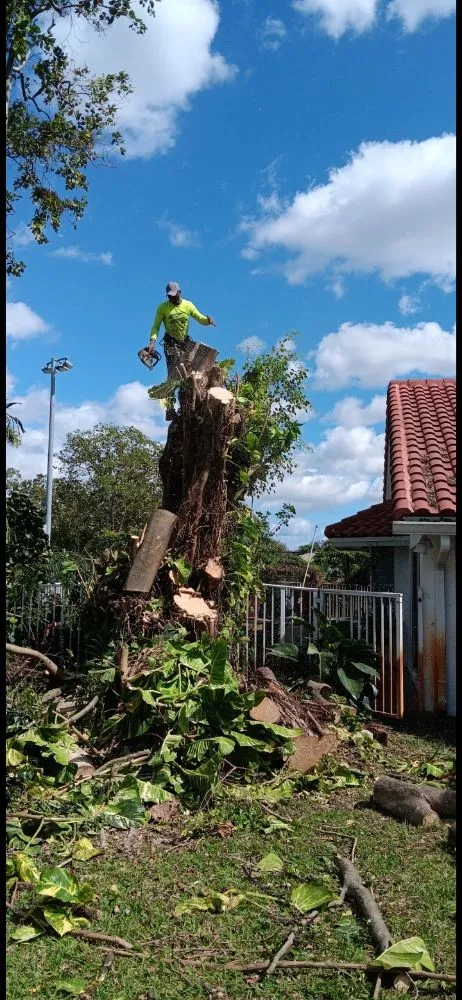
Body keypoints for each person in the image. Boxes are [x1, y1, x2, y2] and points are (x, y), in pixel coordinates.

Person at [149, 282, 216, 419]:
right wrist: (152, 341)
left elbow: (200, 318)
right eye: (169, 296)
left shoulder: (188, 305)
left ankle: (191, 402)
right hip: (170, 344)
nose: (172, 298)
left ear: (180, 292)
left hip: (185, 343)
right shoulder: (162, 307)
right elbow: (156, 326)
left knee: (191, 372)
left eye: (174, 295)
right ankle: (169, 409)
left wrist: (208, 321)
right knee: (173, 376)